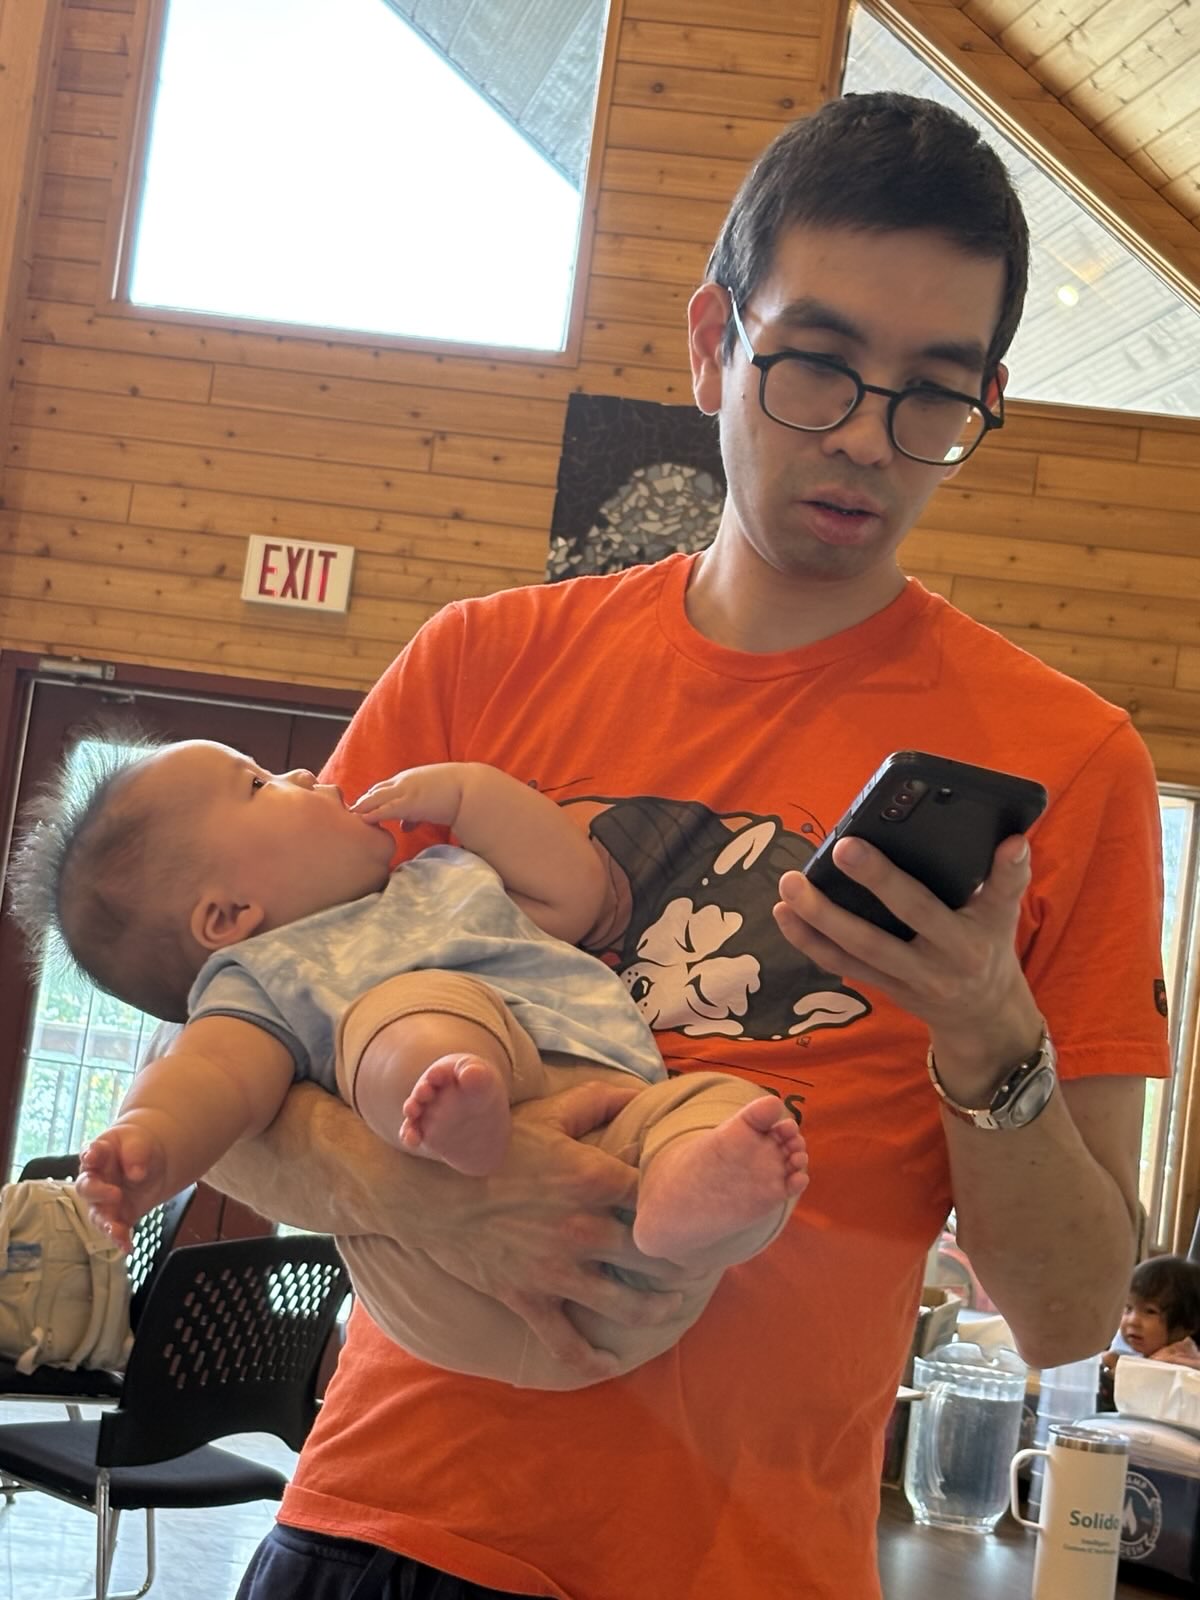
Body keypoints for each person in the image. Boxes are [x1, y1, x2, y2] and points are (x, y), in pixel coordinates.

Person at [203, 91, 1170, 1599]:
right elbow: (227, 1087)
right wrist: (442, 1195)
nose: (866, 438)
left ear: (985, 398)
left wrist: (989, 1030)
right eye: (818, 366)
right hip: (385, 1527)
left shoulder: (1072, 766)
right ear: (717, 342)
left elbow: (1069, 1316)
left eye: (932, 392)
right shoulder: (477, 669)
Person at [9, 745, 806, 1388]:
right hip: (444, 1275)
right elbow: (211, 1077)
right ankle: (451, 1108)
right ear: (229, 916)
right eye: (258, 783)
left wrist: (471, 795)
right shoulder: (261, 978)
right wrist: (150, 1139)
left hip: (635, 1265)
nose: (302, 773)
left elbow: (577, 889)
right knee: (407, 1010)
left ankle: (686, 1198)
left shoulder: (445, 879)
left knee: (721, 1110)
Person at [1102, 1255, 1200, 1376]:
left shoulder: (1179, 1360)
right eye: (1128, 1308)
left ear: (1183, 1327)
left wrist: (1114, 1368)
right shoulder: (1148, 1350)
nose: (1132, 1321)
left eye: (1150, 1311)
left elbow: (1143, 1378)